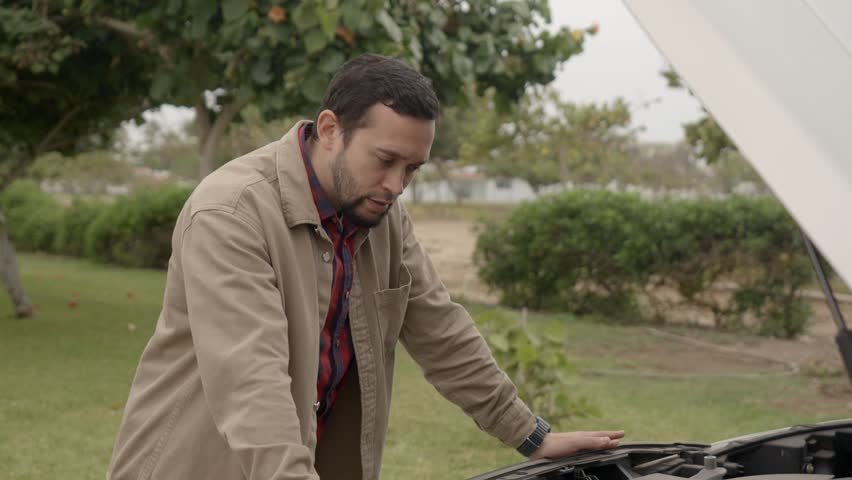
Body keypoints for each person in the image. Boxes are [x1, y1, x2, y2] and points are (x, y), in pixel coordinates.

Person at [107, 54, 623, 480]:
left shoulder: (384, 217)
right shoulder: (231, 212)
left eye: (412, 169)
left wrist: (530, 435)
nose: (397, 185)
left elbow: (442, 331)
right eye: (385, 160)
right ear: (330, 129)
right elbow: (251, 382)